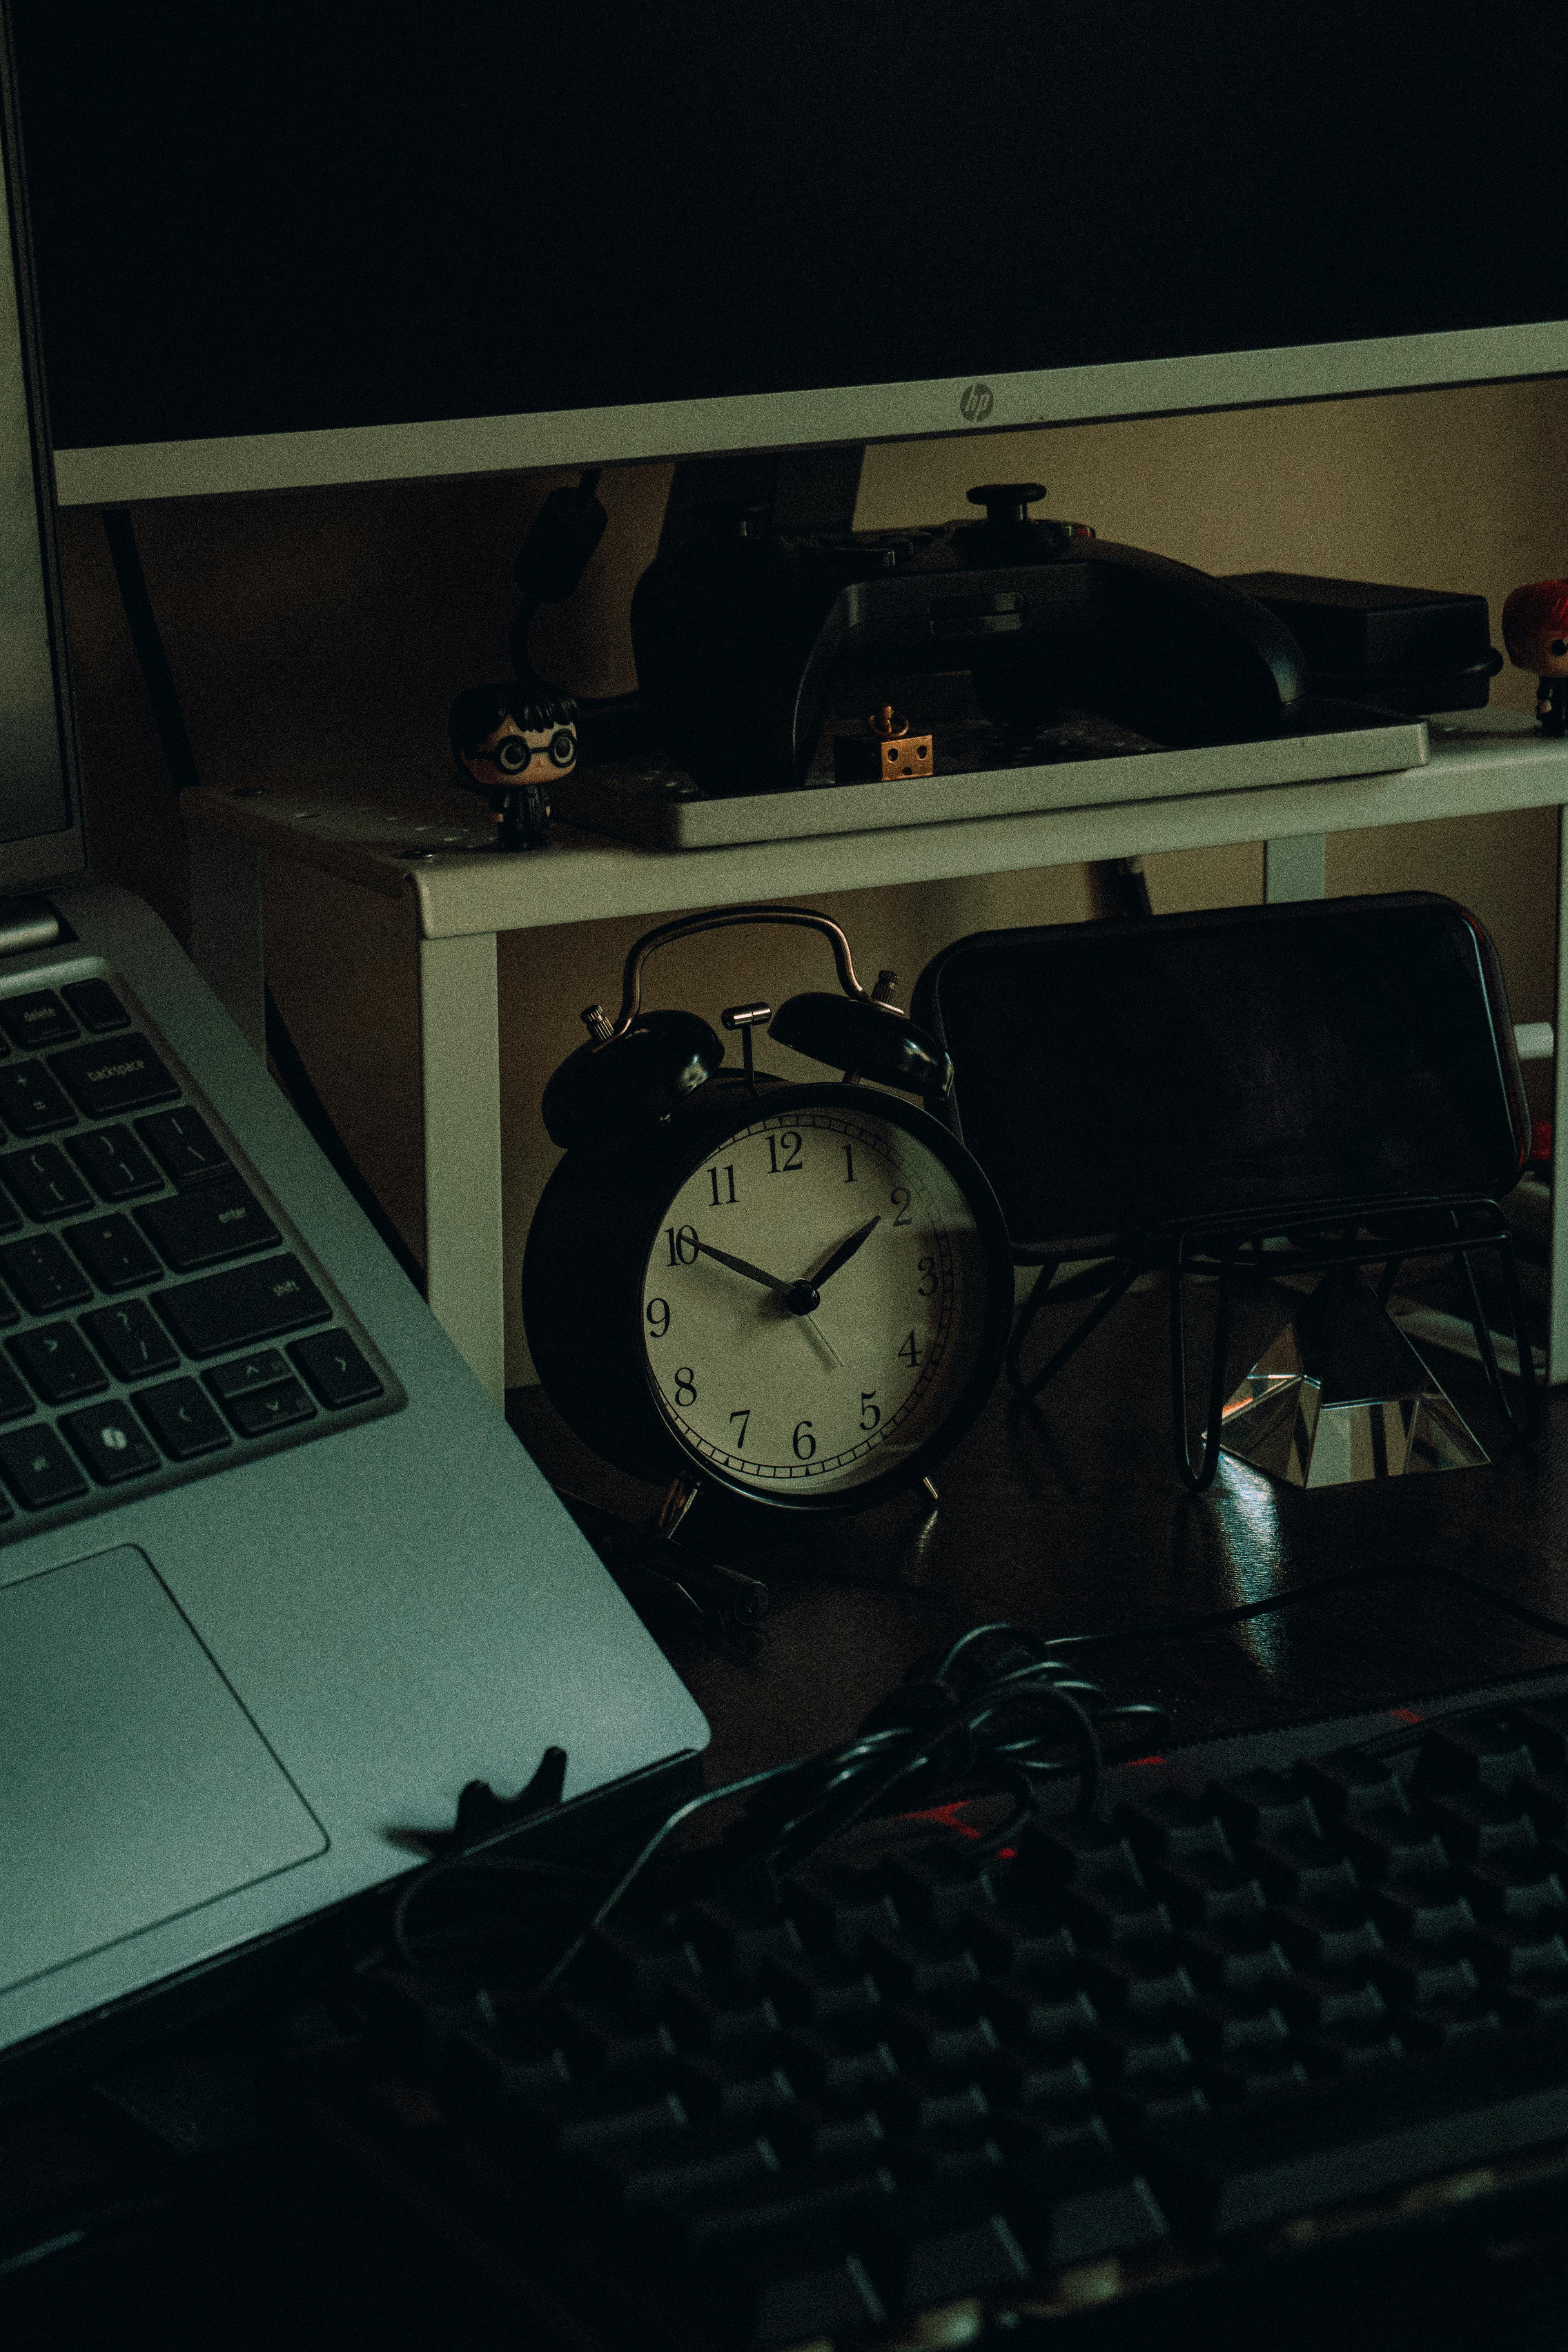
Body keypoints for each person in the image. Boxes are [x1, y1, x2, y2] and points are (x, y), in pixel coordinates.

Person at [446, 679, 580, 849]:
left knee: (536, 831)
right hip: (514, 820)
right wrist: (499, 814)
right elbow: (501, 804)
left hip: (535, 816)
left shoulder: (537, 789)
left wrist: (545, 808)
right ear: (466, 755)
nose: (539, 761)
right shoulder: (508, 792)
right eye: (514, 755)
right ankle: (514, 839)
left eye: (561, 749)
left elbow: (544, 799)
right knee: (514, 832)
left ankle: (536, 836)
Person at [1501, 578, 1568, 737]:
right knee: (1555, 721)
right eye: (1562, 644)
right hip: (1554, 716)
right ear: (1517, 641)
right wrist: (1544, 703)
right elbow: (1545, 693)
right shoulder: (1549, 682)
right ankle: (1554, 729)